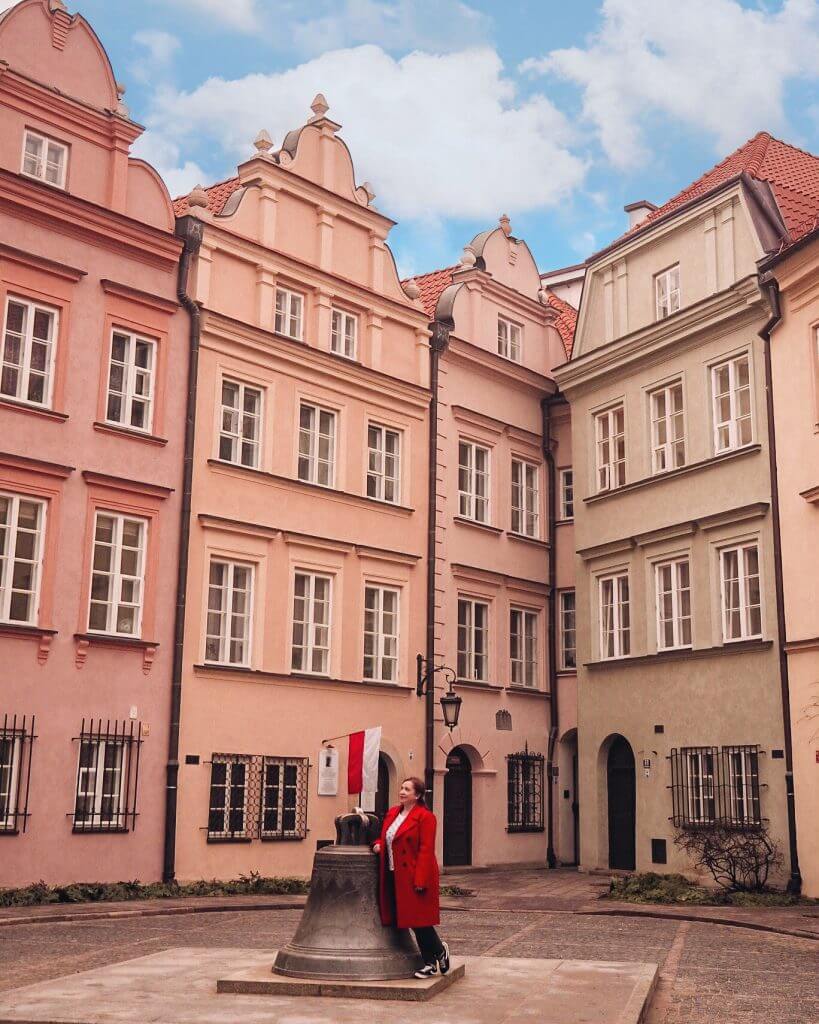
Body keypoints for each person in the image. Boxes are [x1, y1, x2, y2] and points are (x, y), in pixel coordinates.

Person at [372, 776, 450, 979]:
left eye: (407, 789)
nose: (402, 792)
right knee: (410, 919)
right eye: (402, 788)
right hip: (393, 873)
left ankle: (432, 960)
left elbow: (426, 850)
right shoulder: (392, 813)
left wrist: (421, 880)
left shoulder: (425, 817)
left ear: (417, 795)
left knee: (419, 920)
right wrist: (378, 843)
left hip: (414, 875)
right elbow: (386, 835)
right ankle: (437, 955)